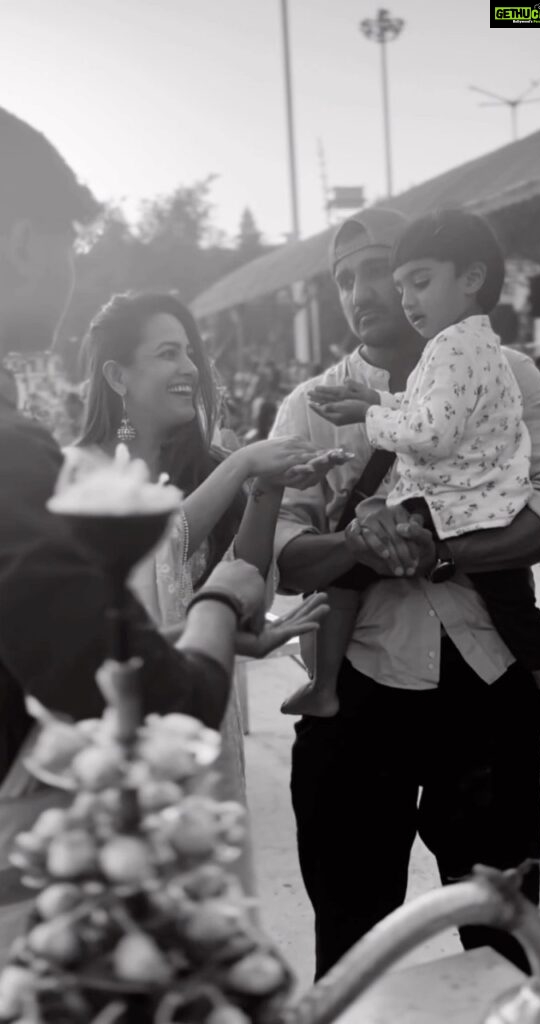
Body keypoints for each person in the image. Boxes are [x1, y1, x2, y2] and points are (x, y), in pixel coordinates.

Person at [0, 107, 327, 955]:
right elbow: (149, 691)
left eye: (192, 352)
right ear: (29, 242)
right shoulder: (39, 464)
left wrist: (254, 499)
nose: (186, 368)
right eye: (69, 243)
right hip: (63, 828)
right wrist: (222, 602)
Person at [270, 207, 540, 979]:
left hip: (488, 689)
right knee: (350, 946)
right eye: (346, 280)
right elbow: (279, 554)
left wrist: (438, 548)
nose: (366, 292)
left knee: (505, 944)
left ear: (445, 274)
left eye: (386, 270)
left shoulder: (507, 370)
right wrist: (357, 544)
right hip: (357, 704)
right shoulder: (313, 403)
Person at [73, 291, 336, 809]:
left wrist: (267, 487)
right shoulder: (80, 474)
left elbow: (244, 583)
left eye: (190, 352)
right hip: (120, 738)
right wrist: (240, 468)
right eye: (167, 353)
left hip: (202, 718)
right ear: (118, 377)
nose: (188, 367)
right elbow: (149, 557)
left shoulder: (207, 463)